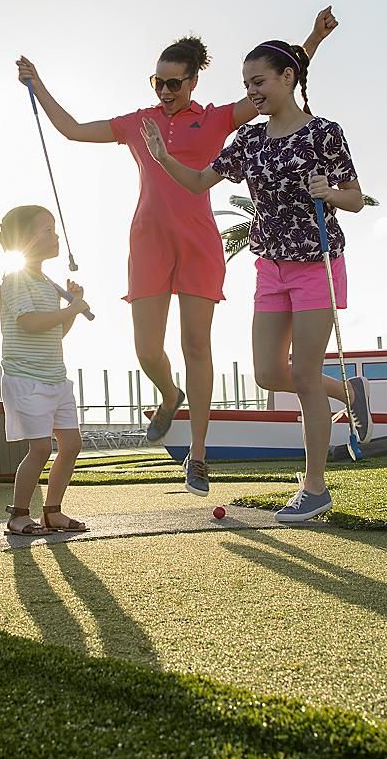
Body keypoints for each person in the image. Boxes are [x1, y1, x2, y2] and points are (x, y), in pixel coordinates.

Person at [14, 9, 338, 499]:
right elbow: (74, 129)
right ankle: (170, 394)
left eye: (172, 84)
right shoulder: (137, 122)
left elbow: (276, 81)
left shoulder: (216, 120)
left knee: (195, 346)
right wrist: (37, 84)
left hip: (199, 243)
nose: (163, 92)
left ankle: (199, 456)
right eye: (157, 82)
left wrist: (314, 37)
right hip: (147, 242)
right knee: (147, 349)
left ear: (191, 81)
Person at [142, 40, 367, 523]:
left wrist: (330, 192)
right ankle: (347, 392)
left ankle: (314, 487)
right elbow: (201, 182)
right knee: (268, 372)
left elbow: (355, 197)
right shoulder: (250, 142)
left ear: (287, 78)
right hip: (271, 269)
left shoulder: (325, 134)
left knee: (303, 373)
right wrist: (163, 158)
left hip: (316, 264)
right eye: (247, 85)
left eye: (259, 82)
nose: (253, 92)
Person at [0, 206, 92, 536]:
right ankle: (19, 515)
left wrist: (72, 310)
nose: (56, 236)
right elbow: (30, 323)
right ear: (25, 239)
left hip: (55, 377)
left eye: (54, 229)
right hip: (26, 378)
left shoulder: (49, 285)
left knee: (72, 445)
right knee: (39, 448)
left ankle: (52, 512)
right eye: (47, 230)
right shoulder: (15, 280)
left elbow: (55, 332)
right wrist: (72, 307)